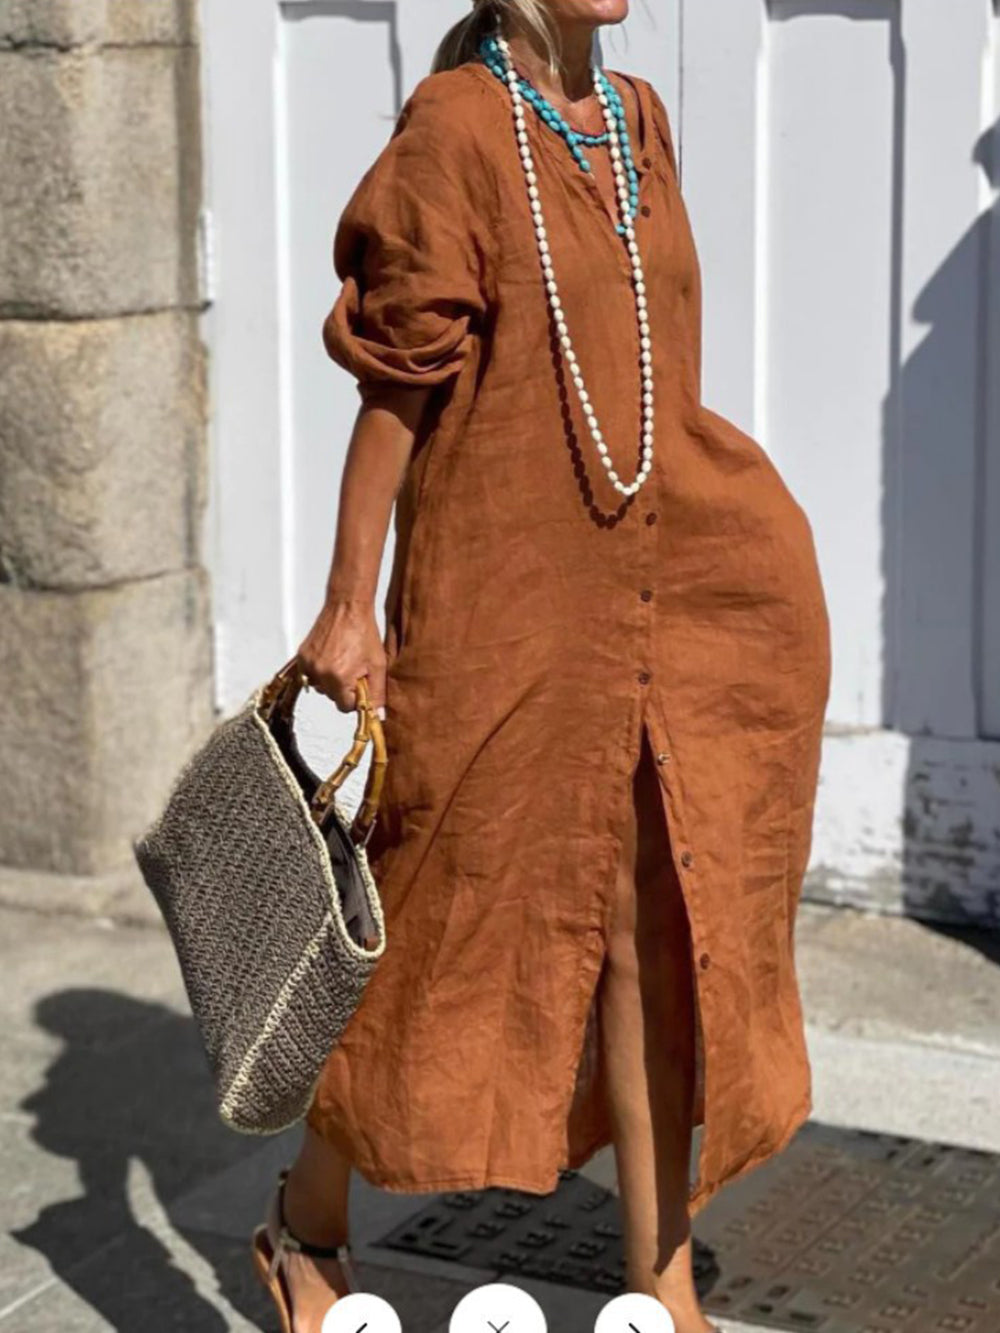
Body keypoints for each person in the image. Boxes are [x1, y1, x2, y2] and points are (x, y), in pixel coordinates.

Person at [251, 1, 832, 1329]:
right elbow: (394, 384)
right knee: (430, 919)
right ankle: (308, 1221)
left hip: (659, 578)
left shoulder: (638, 122)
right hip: (502, 591)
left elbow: (654, 362)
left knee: (654, 925)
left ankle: (659, 1275)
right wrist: (352, 606)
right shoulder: (457, 129)